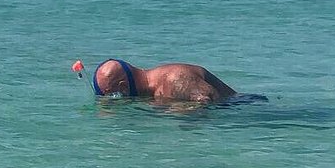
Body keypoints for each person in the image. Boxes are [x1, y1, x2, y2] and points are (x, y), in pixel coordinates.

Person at [88, 58, 241, 104]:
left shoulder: (174, 79)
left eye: (112, 97)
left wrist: (181, 113)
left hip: (247, 108)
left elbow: (208, 98)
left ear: (123, 88)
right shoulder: (153, 92)